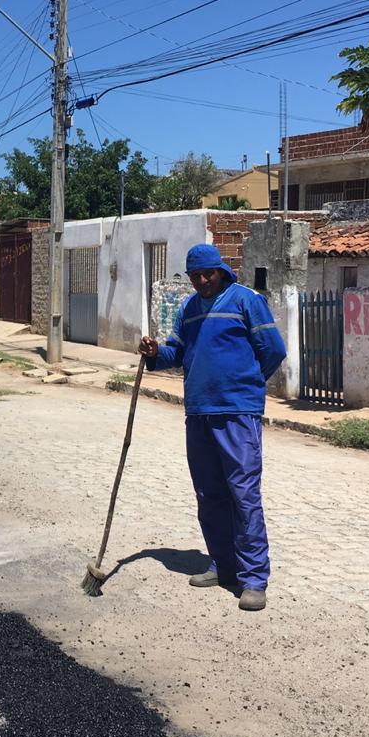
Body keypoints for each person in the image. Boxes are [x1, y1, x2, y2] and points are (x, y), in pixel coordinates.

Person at [138, 243, 286, 611]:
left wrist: (248, 383)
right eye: (196, 276)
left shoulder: (245, 301)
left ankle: (254, 578)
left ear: (222, 270)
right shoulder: (188, 309)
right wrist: (155, 353)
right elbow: (177, 353)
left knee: (244, 495)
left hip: (237, 413)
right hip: (199, 412)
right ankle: (223, 565)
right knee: (209, 495)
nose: (203, 281)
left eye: (209, 274)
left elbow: (273, 350)